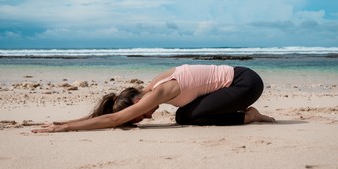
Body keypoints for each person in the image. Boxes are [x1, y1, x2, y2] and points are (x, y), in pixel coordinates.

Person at [32, 64, 275, 133]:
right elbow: (114, 115)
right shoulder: (154, 83)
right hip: (241, 77)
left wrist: (64, 127)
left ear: (138, 102)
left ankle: (249, 116)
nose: (147, 116)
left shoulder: (159, 92)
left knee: (188, 117)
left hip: (246, 84)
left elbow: (115, 118)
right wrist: (70, 120)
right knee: (183, 115)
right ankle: (246, 114)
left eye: (140, 115)